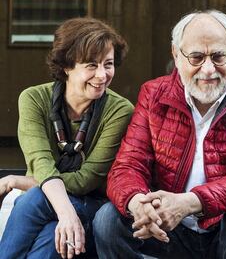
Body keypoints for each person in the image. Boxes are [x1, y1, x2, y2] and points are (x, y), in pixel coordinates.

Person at [93, 9, 226, 259]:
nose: (208, 70)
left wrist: (189, 203)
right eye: (196, 57)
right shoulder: (154, 94)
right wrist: (138, 203)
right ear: (176, 54)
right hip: (169, 228)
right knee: (108, 219)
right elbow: (128, 164)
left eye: (218, 56)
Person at [0, 17, 134, 259]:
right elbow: (41, 163)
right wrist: (66, 214)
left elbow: (87, 180)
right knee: (51, 238)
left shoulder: (120, 110)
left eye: (109, 64)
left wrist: (17, 181)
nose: (102, 75)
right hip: (53, 211)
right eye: (91, 65)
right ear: (66, 66)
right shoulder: (33, 99)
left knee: (33, 199)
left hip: (96, 206)